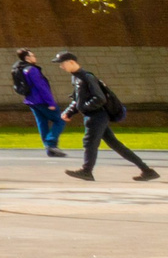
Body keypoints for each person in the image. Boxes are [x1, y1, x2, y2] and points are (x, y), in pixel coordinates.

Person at [55, 52, 159, 181]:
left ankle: (86, 171)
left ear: (71, 62)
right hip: (95, 115)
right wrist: (69, 111)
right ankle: (147, 171)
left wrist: (84, 108)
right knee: (115, 144)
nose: (61, 67)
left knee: (90, 142)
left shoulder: (86, 77)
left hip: (96, 116)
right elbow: (78, 99)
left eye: (62, 63)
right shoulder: (76, 77)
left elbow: (100, 98)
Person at [11, 50, 63, 156]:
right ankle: (51, 143)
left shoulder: (21, 70)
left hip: (31, 101)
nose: (35, 57)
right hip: (41, 100)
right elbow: (41, 87)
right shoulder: (32, 70)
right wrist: (51, 103)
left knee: (42, 122)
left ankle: (49, 148)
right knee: (60, 120)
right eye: (32, 55)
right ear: (27, 58)